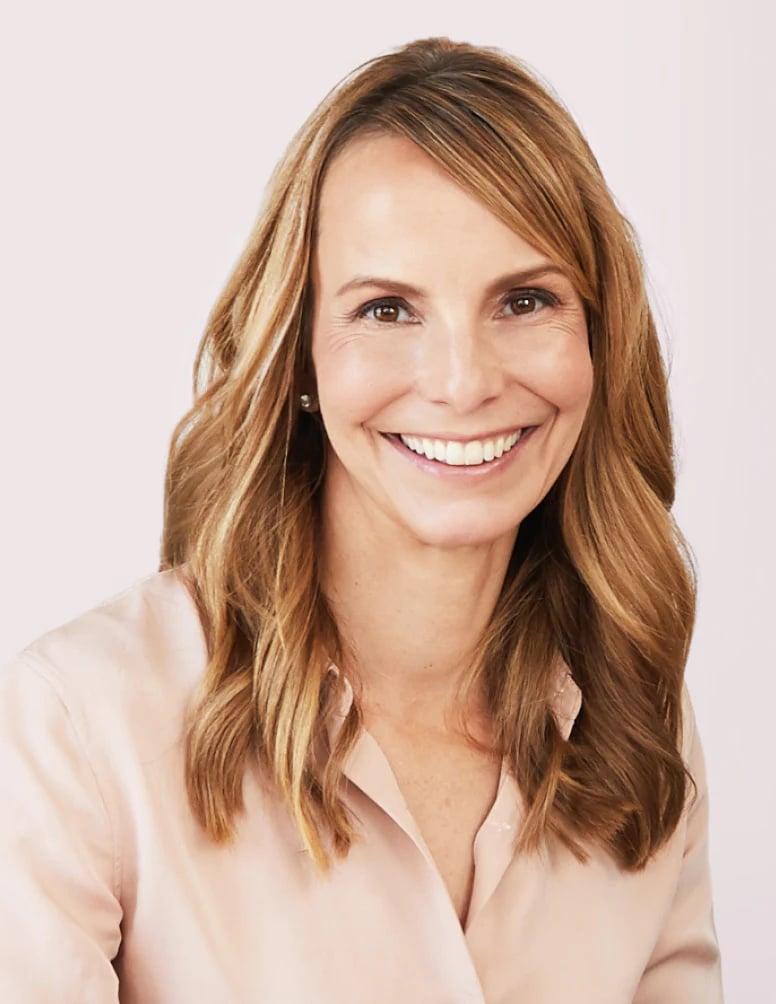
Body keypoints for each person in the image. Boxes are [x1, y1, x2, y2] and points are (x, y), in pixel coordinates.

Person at [0, 35, 724, 1003]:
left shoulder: (634, 716)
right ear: (296, 353)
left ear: (598, 337)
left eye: (523, 298)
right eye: (386, 309)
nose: (463, 381)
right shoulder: (78, 722)